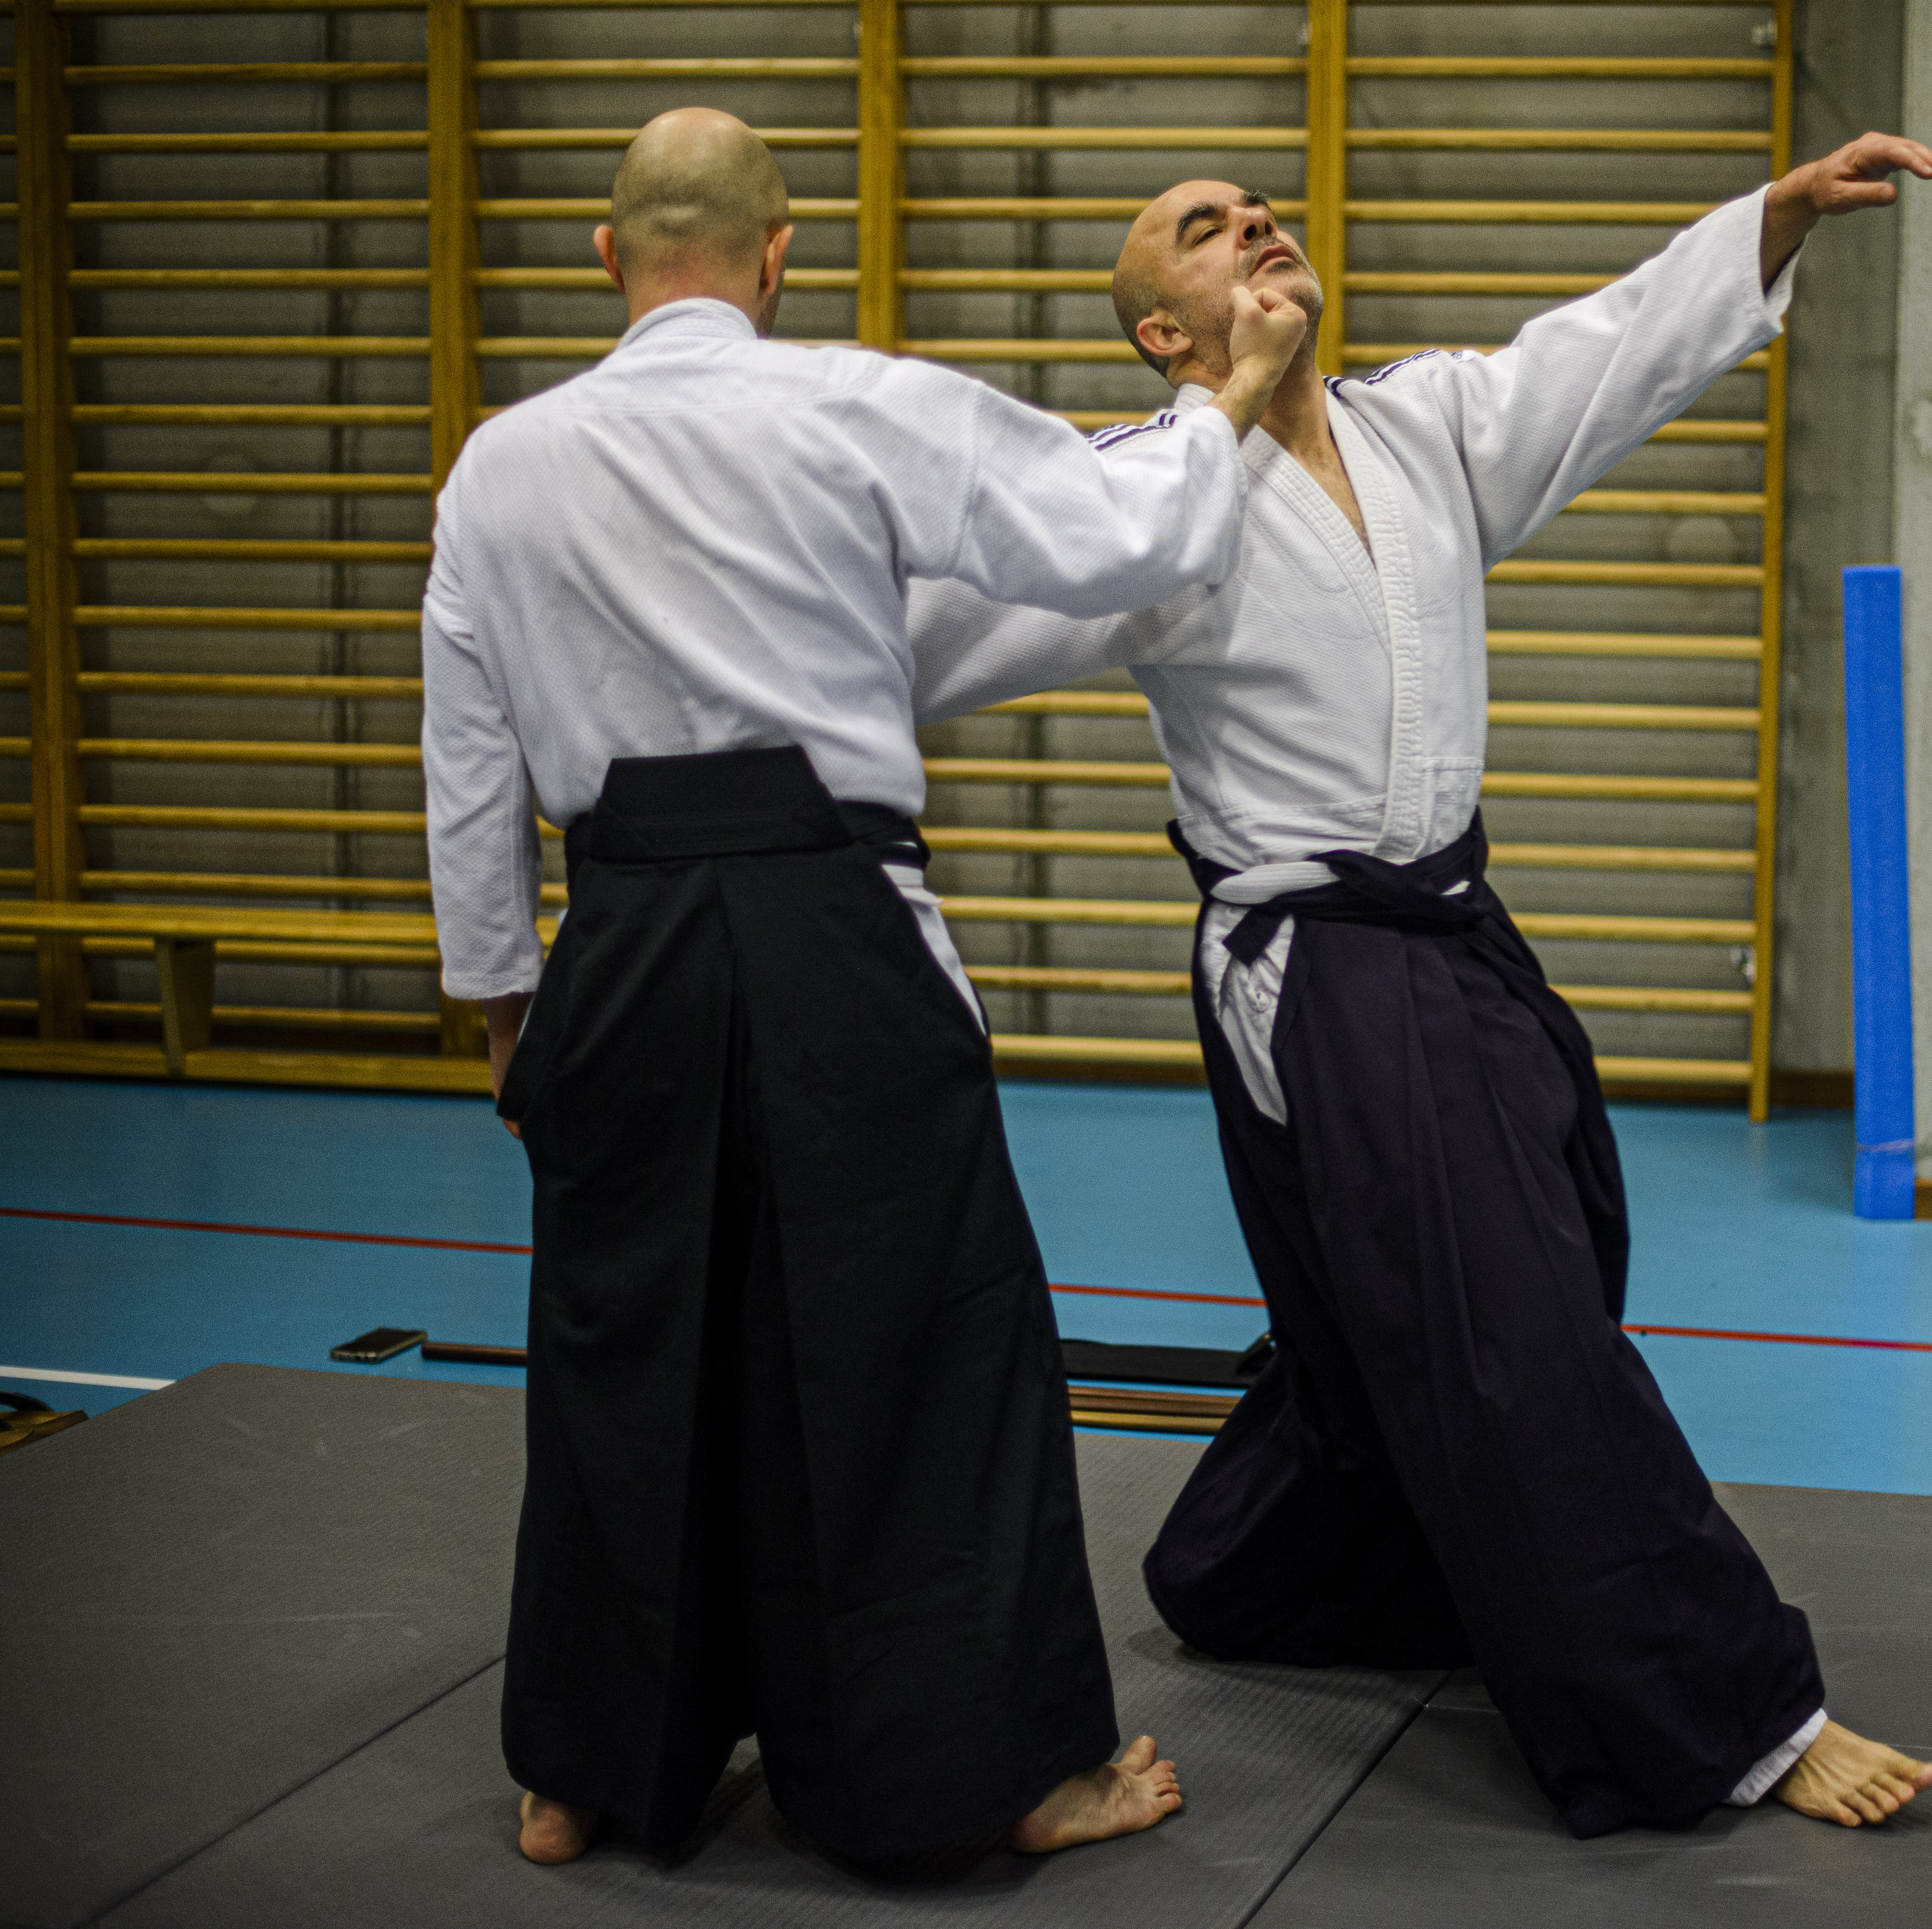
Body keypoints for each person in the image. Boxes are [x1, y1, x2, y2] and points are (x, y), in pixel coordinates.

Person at [901, 132, 1932, 1837]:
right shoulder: (1146, 490)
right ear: (1162, 332)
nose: (1251, 219)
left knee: (1457, 1289)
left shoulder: (1425, 425)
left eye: (1258, 207)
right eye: (1202, 229)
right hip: (1318, 974)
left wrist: (1768, 215)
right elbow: (949, 637)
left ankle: (1260, 1573)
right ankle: (1727, 1711)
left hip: (1457, 937)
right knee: (1512, 1326)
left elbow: (1604, 350)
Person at [419, 108, 1307, 1870]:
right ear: (777, 257)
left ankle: (586, 1771)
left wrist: (514, 1017)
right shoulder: (853, 398)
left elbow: (469, 766)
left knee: (624, 1346)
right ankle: (988, 1775)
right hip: (833, 922)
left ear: (606, 258)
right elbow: (1117, 539)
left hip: (623, 931)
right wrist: (1234, 394)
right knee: (923, 1352)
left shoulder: (498, 465)